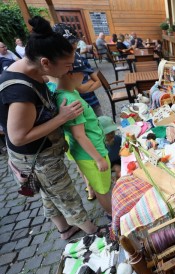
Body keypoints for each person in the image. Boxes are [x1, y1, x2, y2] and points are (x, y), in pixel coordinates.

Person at [0, 16, 98, 240]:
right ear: (45, 62)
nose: (70, 69)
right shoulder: (20, 90)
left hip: (40, 154)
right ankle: (93, 231)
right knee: (64, 193)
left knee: (48, 193)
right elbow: (18, 136)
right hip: (36, 156)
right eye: (67, 65)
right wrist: (62, 117)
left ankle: (64, 230)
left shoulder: (33, 69)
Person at [54, 58, 112, 216]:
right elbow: (79, 135)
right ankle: (112, 215)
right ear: (71, 74)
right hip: (91, 154)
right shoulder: (70, 100)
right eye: (83, 75)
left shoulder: (68, 92)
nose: (84, 78)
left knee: (102, 184)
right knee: (102, 189)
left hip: (92, 149)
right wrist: (98, 159)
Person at [53, 23, 104, 117]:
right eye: (68, 48)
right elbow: (74, 87)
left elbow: (98, 81)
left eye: (74, 47)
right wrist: (85, 85)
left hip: (92, 101)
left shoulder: (80, 59)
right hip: (74, 107)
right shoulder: (56, 65)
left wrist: (81, 88)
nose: (73, 53)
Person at [98, 116, 122, 182]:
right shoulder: (99, 148)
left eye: (112, 132)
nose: (112, 135)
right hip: (108, 165)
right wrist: (114, 168)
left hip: (119, 160)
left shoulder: (118, 139)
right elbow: (101, 166)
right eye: (108, 134)